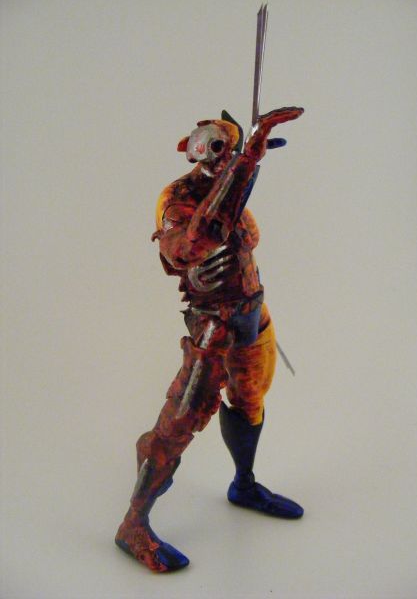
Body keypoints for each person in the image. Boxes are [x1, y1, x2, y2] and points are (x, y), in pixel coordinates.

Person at [115, 106, 304, 573]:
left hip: (250, 314)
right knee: (180, 421)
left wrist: (245, 170)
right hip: (213, 326)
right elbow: (188, 245)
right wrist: (247, 165)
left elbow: (239, 244)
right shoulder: (179, 197)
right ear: (195, 150)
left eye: (234, 149)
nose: (226, 158)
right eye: (218, 148)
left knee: (250, 400)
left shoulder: (235, 188)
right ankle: (134, 525)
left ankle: (244, 484)